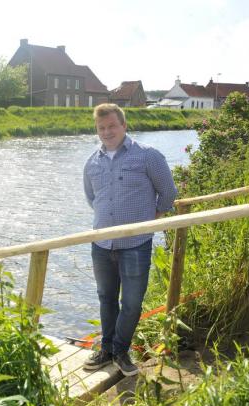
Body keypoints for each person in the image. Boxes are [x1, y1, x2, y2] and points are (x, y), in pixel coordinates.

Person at [82, 104, 177, 376]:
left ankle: (121, 350)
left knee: (133, 302)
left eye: (112, 126)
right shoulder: (92, 161)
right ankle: (107, 350)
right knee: (106, 298)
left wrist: (150, 218)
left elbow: (168, 193)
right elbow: (92, 198)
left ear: (124, 125)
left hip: (136, 244)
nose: (107, 131)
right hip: (101, 244)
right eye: (101, 128)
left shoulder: (147, 156)